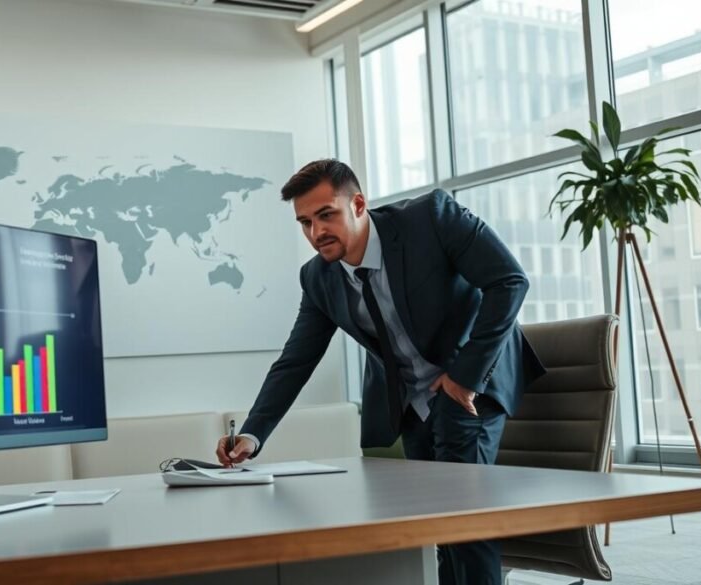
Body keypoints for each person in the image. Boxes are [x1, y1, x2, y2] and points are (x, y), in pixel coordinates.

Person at [215, 159, 545, 585]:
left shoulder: (430, 219)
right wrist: (253, 434)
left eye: (326, 215)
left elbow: (510, 281)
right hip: (413, 400)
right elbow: (296, 361)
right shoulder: (318, 278)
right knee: (440, 528)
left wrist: (464, 377)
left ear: (357, 204)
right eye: (305, 223)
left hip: (470, 379)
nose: (316, 233)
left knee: (467, 520)